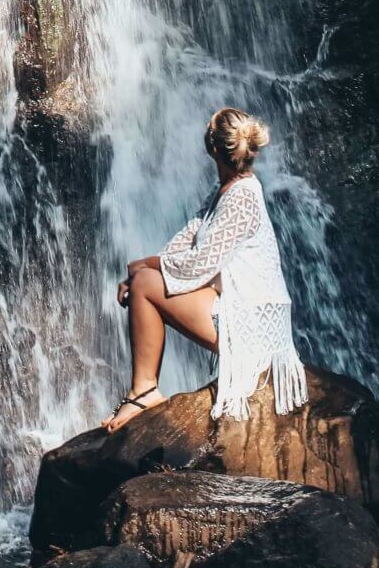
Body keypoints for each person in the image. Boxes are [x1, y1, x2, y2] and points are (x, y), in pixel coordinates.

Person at [102, 106, 308, 431]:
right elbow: (187, 238)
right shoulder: (224, 192)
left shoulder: (243, 199)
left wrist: (141, 270)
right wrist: (141, 269)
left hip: (251, 324)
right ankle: (143, 390)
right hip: (238, 307)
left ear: (212, 148)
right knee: (143, 281)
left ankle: (143, 392)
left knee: (143, 286)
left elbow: (199, 263)